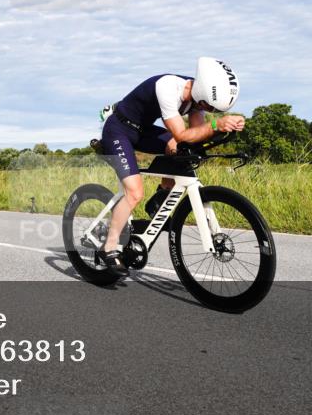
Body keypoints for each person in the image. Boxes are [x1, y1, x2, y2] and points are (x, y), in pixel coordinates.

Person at [98, 57, 246, 276]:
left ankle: (160, 198)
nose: (208, 111)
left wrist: (223, 128)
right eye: (208, 107)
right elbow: (183, 133)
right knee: (134, 192)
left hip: (142, 130)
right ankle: (109, 248)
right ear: (201, 94)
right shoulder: (168, 87)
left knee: (182, 151)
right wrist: (217, 124)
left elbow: (195, 140)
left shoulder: (195, 101)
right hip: (119, 130)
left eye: (212, 110)